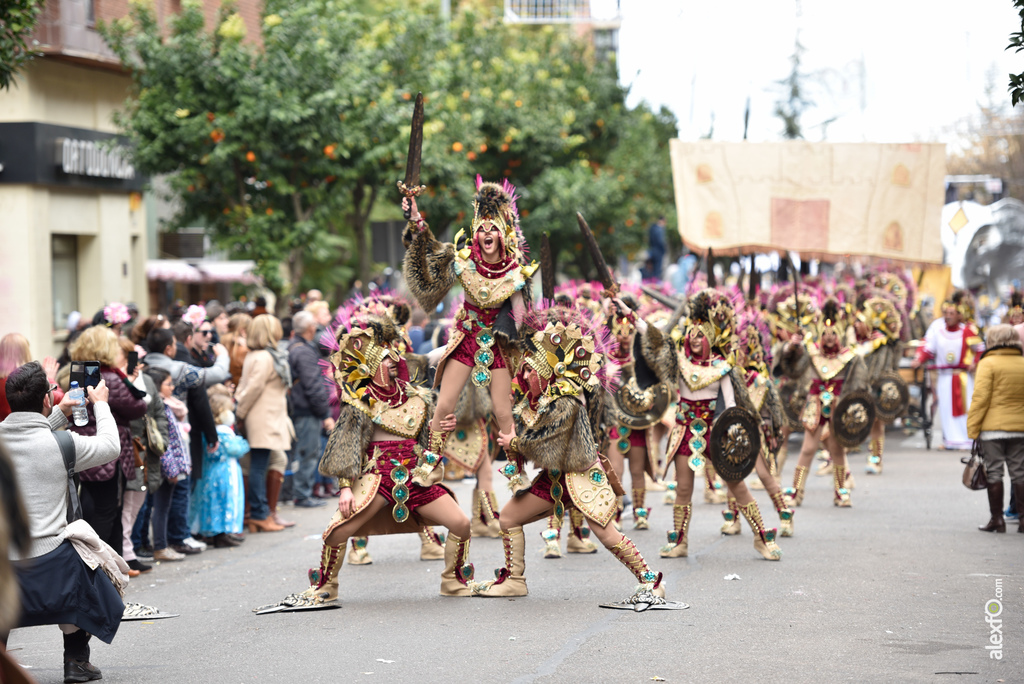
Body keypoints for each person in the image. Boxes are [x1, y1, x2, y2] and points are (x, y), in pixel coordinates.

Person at [256, 314, 475, 612]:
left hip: (416, 477)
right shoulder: (358, 403)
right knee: (337, 532)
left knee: (461, 524)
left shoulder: (416, 398)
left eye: (392, 359)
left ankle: (453, 580)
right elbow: (346, 448)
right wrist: (345, 489)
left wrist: (442, 431)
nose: (393, 363)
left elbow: (427, 445)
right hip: (378, 479)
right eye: (385, 360)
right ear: (371, 365)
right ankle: (326, 587)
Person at [474, 303, 671, 600]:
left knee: (606, 533)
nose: (524, 377)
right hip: (554, 480)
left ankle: (650, 580)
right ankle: (515, 580)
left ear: (545, 374)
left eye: (530, 371)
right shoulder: (540, 401)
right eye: (523, 371)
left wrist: (514, 444)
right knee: (508, 519)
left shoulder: (565, 402)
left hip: (581, 478)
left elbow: (545, 444)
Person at [401, 180, 535, 494]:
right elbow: (430, 251)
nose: (487, 235)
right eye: (482, 229)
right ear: (475, 232)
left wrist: (534, 349)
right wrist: (416, 217)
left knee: (504, 409)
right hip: (466, 340)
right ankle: (430, 464)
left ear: (504, 234)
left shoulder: (517, 273)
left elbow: (522, 320)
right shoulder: (463, 262)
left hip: (498, 345)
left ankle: (516, 471)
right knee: (444, 403)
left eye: (494, 229)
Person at [1, 364, 124, 682]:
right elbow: (111, 446)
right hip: (55, 565)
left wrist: (57, 413)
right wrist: (100, 404)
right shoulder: (64, 445)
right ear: (46, 399)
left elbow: (24, 437)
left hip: (5, 564)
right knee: (87, 560)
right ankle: (76, 662)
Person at [777, 298, 869, 508]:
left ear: (839, 335)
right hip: (814, 406)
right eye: (825, 334)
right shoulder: (811, 354)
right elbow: (791, 370)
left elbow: (859, 386)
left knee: (837, 451)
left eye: (833, 334)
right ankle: (796, 491)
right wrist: (792, 347)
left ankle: (841, 492)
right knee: (808, 449)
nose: (829, 338)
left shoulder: (850, 357)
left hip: (838, 409)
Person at [66, 327, 148, 554]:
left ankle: (106, 560)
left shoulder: (76, 374)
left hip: (82, 443)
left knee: (92, 502)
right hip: (106, 447)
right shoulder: (110, 377)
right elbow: (137, 407)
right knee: (106, 508)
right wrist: (134, 381)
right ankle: (102, 561)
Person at [235, 315, 293, 532]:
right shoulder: (265, 357)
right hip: (263, 418)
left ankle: (262, 514)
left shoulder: (260, 355)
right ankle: (260, 515)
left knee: (261, 465)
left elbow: (244, 385)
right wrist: (240, 412)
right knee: (259, 466)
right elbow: (253, 388)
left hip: (266, 417)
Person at [966, 324, 1024, 534]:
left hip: (993, 429)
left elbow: (980, 399)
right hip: (1020, 428)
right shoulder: (1022, 362)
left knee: (995, 472)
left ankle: (997, 520)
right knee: (1020, 473)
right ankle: (1023, 521)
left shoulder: (988, 363)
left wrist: (973, 429)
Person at [913, 291, 985, 450]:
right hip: (944, 377)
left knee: (966, 408)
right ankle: (949, 440)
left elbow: (980, 348)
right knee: (945, 408)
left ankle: (967, 440)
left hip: (963, 377)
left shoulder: (967, 331)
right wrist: (918, 359)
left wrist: (974, 362)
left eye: (951, 313)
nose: (948, 316)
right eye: (946, 313)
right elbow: (928, 349)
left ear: (959, 315)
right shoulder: (938, 331)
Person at [189, 387, 248, 546]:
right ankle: (222, 531)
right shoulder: (223, 431)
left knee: (210, 500)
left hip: (211, 470)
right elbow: (235, 449)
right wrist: (241, 443)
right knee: (225, 500)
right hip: (225, 471)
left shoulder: (210, 431)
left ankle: (211, 532)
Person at [144, 367, 190, 561]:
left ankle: (158, 544)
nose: (172, 387)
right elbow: (164, 442)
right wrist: (172, 469)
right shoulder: (159, 408)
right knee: (161, 507)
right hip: (166, 469)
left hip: (170, 466)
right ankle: (160, 546)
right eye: (168, 384)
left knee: (161, 506)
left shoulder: (165, 406)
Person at [288, 312, 332, 509]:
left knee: (304, 452)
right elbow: (313, 386)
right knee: (308, 452)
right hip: (306, 411)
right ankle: (302, 494)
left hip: (300, 408)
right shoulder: (304, 351)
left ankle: (301, 492)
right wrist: (324, 414)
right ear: (310, 328)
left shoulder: (294, 347)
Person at [1, 333, 60, 422]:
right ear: (25, 353)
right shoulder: (28, 382)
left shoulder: (4, 381)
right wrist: (49, 381)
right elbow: (57, 402)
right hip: (32, 428)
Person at [645, 216, 667, 281]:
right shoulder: (659, 229)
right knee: (657, 271)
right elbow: (661, 241)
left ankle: (652, 282)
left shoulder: (652, 228)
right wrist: (664, 250)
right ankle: (656, 283)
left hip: (652, 251)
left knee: (652, 270)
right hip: (658, 252)